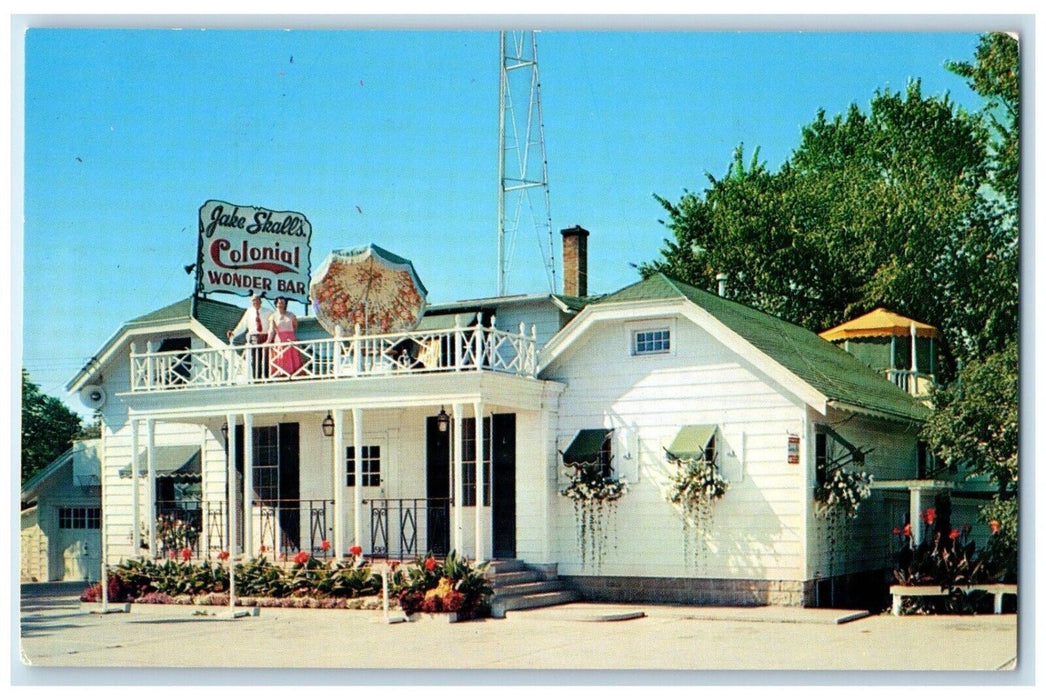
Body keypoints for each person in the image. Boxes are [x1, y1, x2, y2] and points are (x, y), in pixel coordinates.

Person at [227, 292, 272, 380]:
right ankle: (256, 379)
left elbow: (273, 324)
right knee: (256, 359)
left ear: (261, 301)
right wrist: (234, 333)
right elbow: (242, 325)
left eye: (257, 300)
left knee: (266, 359)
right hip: (254, 337)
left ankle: (267, 378)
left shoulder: (269, 312)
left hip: (265, 336)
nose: (255, 302)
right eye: (253, 301)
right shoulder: (249, 312)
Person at [266, 296, 303, 378]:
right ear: (276, 304)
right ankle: (281, 373)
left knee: (292, 356)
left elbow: (295, 326)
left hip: (290, 338)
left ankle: (294, 373)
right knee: (281, 356)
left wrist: (290, 335)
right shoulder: (273, 316)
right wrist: (268, 341)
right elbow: (271, 330)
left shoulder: (291, 315)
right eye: (279, 303)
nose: (281, 305)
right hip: (280, 340)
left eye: (283, 303)